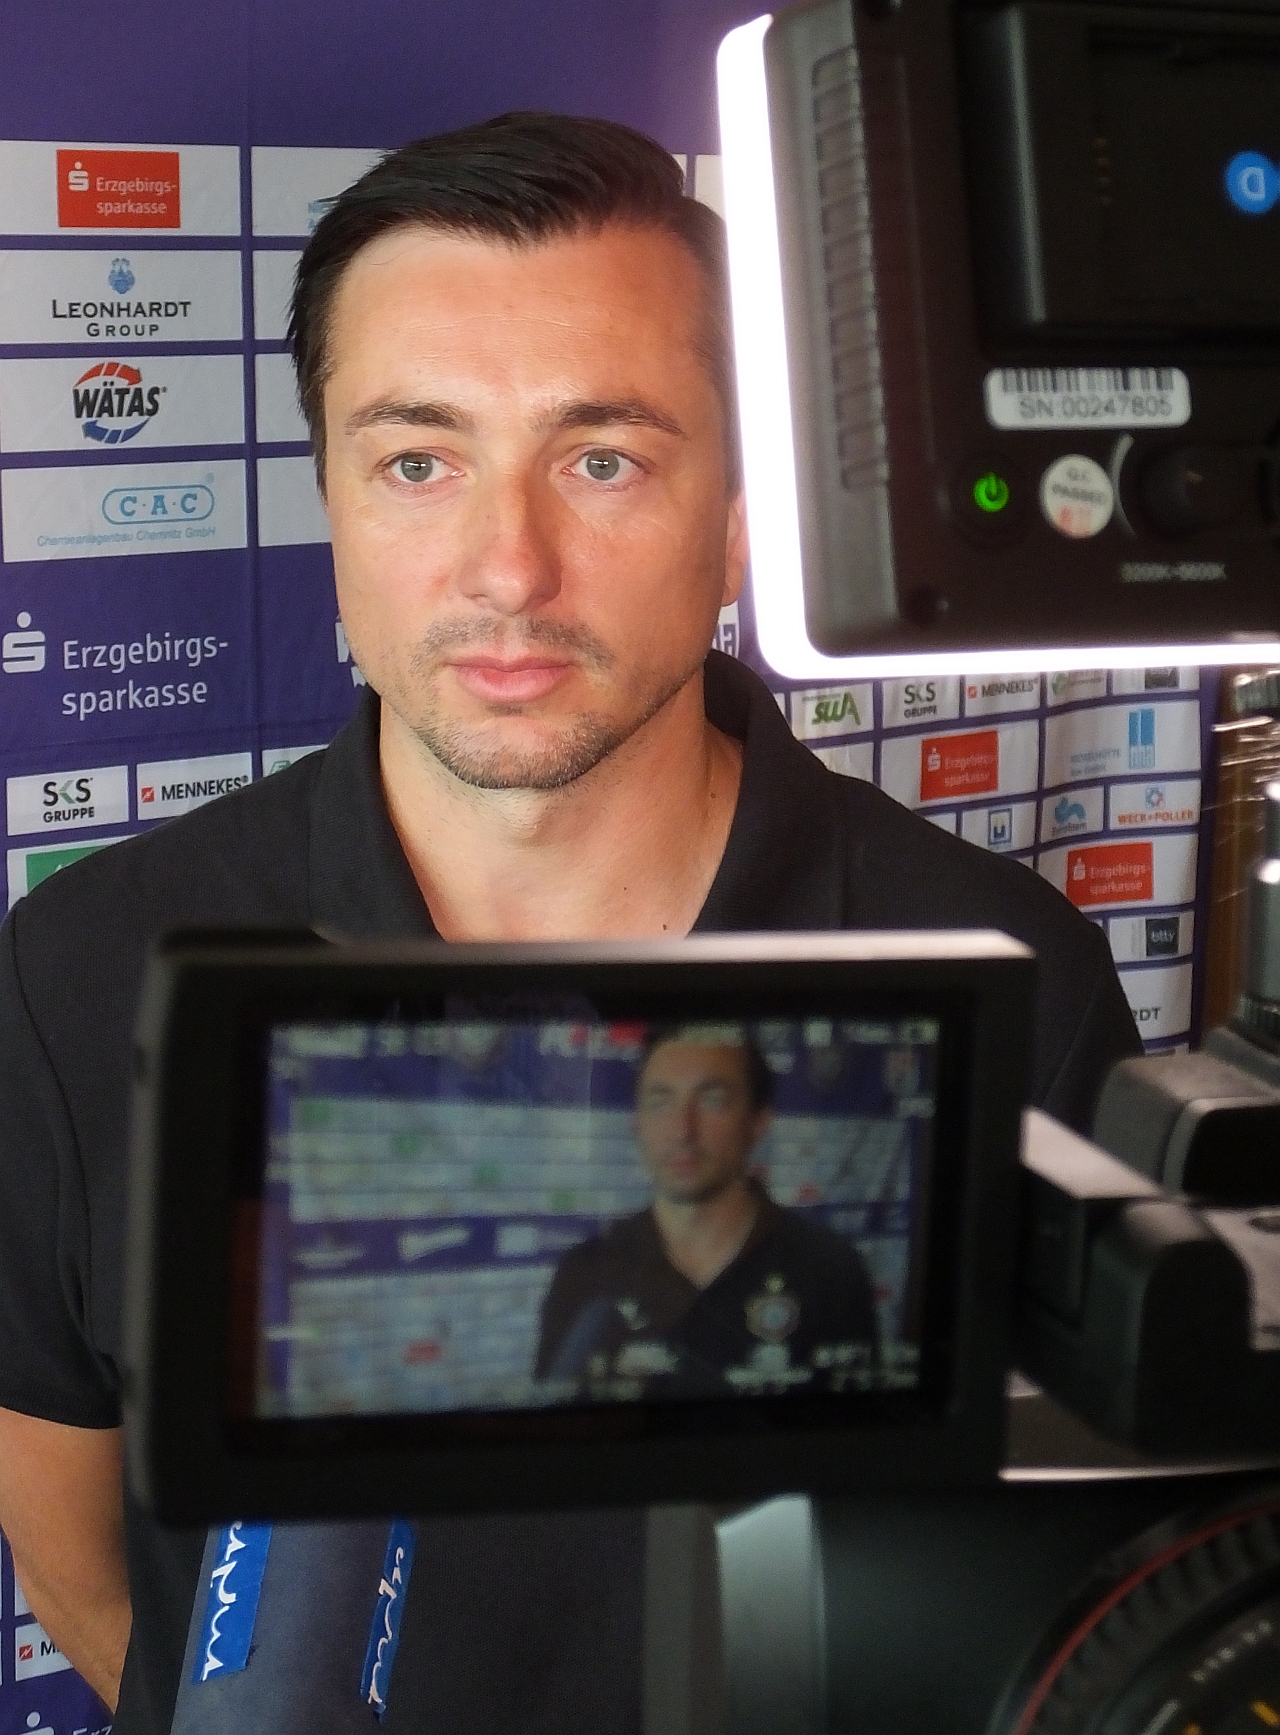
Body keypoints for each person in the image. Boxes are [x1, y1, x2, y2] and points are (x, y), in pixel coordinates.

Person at [0, 113, 1140, 1735]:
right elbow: (78, 1554)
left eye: (603, 460)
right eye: (419, 461)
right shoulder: (77, 972)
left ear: (739, 519)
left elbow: (1068, 1586)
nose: (509, 567)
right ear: (332, 502)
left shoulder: (1013, 980)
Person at [536, 1027, 879, 1396]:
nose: (682, 1130)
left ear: (757, 1122)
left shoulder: (832, 1270)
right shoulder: (584, 1275)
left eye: (712, 1100)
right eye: (661, 1102)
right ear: (637, 1123)